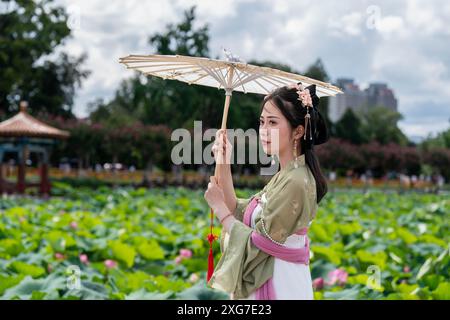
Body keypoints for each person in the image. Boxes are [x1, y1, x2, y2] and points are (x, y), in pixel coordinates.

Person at [203, 83, 330, 300]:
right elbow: (240, 213)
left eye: (272, 122)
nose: (263, 130)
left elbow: (260, 243)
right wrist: (223, 162)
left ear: (298, 131)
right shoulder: (285, 175)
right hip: (272, 277)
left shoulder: (297, 181)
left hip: (282, 285)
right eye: (262, 122)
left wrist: (219, 208)